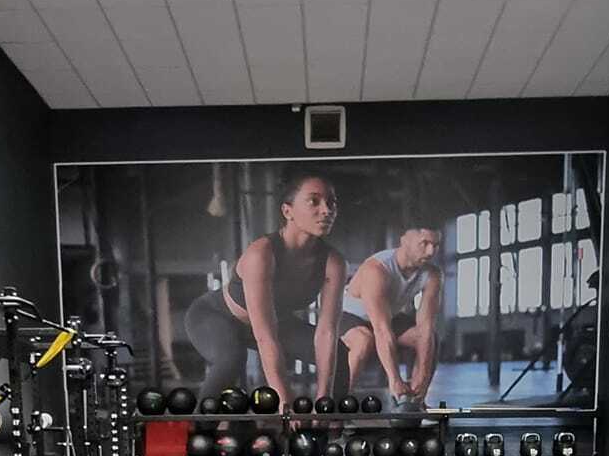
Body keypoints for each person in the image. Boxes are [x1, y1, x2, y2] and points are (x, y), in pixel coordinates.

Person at [183, 174, 346, 406]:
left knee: (339, 353)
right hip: (216, 317)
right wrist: (284, 400)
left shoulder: (333, 262)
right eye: (314, 201)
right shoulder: (261, 255)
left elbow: (326, 332)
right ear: (287, 211)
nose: (327, 210)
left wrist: (324, 399)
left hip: (276, 324)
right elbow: (265, 337)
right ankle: (198, 431)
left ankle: (334, 429)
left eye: (332, 202)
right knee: (231, 360)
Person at [340, 225, 443, 405]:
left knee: (427, 337)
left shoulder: (433, 274)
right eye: (424, 243)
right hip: (350, 317)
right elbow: (381, 329)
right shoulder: (377, 269)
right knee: (364, 340)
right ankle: (338, 403)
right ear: (404, 241)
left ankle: (416, 400)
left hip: (388, 316)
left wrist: (421, 383)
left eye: (435, 245)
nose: (431, 251)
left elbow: (425, 327)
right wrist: (395, 380)